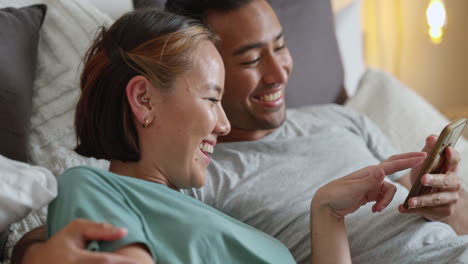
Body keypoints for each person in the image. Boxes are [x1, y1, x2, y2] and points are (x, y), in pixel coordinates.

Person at [11, 6, 431, 264]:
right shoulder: (93, 187)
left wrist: (327, 213)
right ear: (144, 100)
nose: (225, 124)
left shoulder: (214, 218)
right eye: (213, 99)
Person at [163, 0, 468, 263]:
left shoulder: (342, 119)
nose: (279, 73)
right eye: (252, 60)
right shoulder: (199, 180)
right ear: (203, 71)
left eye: (280, 46)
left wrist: (445, 205)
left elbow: (461, 226)